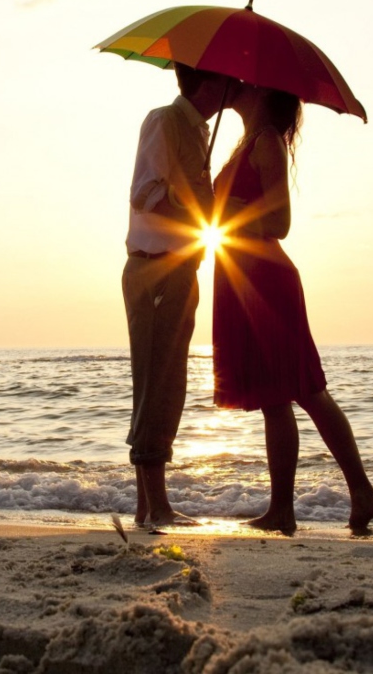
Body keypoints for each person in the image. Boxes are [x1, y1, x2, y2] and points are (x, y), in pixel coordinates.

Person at [212, 83, 373, 536]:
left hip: (265, 278)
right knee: (275, 398)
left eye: (244, 82)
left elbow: (280, 223)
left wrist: (229, 209)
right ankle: (284, 510)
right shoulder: (247, 141)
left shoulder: (267, 140)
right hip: (242, 276)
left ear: (260, 91)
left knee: (305, 389)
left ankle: (360, 492)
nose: (234, 85)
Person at [123, 63, 230, 528]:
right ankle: (155, 506)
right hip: (155, 267)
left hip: (180, 268)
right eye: (228, 79)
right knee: (156, 383)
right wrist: (195, 211)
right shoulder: (165, 120)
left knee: (171, 384)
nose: (235, 86)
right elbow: (145, 192)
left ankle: (150, 507)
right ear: (207, 81)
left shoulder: (199, 132)